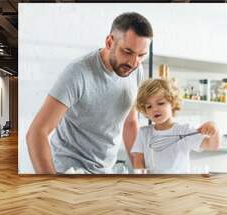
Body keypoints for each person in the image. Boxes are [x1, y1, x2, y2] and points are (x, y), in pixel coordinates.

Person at [26, 12, 153, 174]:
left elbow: (130, 122)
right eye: (127, 52)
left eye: (141, 55)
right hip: (71, 170)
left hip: (106, 170)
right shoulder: (78, 73)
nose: (134, 63)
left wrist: (140, 169)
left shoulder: (136, 71)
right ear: (109, 42)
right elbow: (37, 132)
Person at [131, 79, 220, 174]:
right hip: (153, 186)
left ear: (172, 103)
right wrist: (142, 181)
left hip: (179, 185)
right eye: (149, 106)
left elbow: (213, 146)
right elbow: (138, 160)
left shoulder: (184, 131)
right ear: (145, 111)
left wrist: (214, 129)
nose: (155, 109)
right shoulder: (144, 133)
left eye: (160, 103)